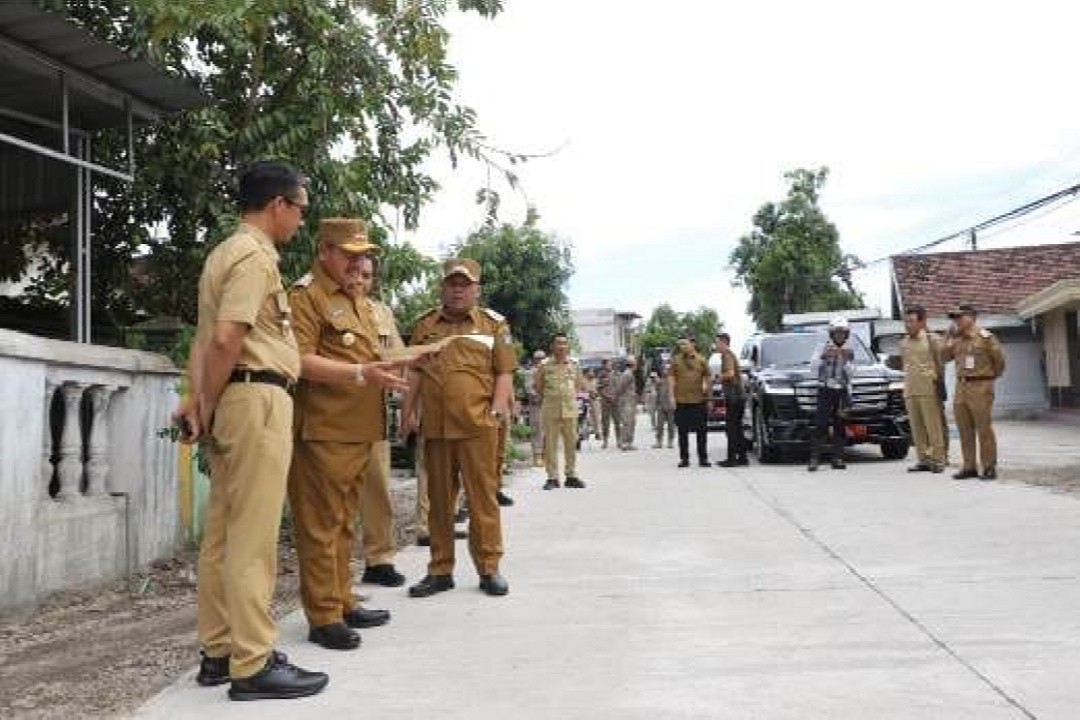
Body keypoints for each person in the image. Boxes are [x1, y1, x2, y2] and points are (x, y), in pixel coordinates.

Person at [174, 161, 328, 700]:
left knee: (222, 534)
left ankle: (219, 651)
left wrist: (198, 400)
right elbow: (225, 338)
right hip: (255, 398)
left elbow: (204, 341)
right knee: (253, 537)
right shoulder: (254, 256)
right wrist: (208, 401)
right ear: (277, 205)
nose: (302, 221)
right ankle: (253, 662)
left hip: (234, 398)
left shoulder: (223, 253)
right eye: (300, 209)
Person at [287, 219, 419, 651]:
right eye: (348, 254)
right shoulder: (307, 296)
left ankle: (342, 600)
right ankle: (324, 616)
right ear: (324, 250)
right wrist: (361, 372)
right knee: (321, 526)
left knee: (344, 522)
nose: (356, 263)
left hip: (359, 429)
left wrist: (413, 358)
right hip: (324, 429)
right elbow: (298, 360)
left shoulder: (357, 299)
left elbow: (373, 356)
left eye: (363, 255)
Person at [401, 258, 516, 598]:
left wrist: (497, 411)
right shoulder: (425, 325)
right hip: (436, 427)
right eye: (452, 284)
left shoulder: (493, 325)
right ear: (442, 288)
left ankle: (489, 568)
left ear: (477, 290)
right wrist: (408, 414)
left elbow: (504, 371)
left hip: (478, 425)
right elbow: (415, 371)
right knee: (439, 502)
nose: (457, 291)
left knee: (483, 499)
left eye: (465, 285)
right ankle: (440, 570)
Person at [357, 254, 410, 587]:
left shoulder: (382, 313)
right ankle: (330, 575)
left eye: (367, 275)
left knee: (377, 490)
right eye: (356, 272)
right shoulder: (322, 305)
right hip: (331, 414)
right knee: (332, 500)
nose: (361, 280)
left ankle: (379, 560)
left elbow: (400, 357)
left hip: (373, 414)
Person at [941, 305, 1006, 480]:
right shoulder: (957, 339)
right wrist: (947, 337)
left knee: (984, 428)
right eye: (954, 318)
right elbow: (943, 357)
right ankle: (969, 466)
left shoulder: (985, 337)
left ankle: (989, 467)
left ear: (972, 317)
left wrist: (989, 379)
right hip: (961, 386)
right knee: (964, 428)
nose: (956, 320)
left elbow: (999, 361)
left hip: (980, 385)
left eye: (960, 316)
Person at [900, 305, 947, 474]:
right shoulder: (903, 342)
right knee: (916, 428)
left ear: (921, 322)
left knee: (933, 427)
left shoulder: (932, 340)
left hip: (928, 389)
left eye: (912, 321)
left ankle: (939, 459)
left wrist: (938, 383)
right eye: (906, 321)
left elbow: (941, 365)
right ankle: (923, 459)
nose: (908, 325)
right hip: (910, 389)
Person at [536, 333, 586, 489]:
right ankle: (552, 477)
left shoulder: (574, 364)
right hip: (551, 409)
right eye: (558, 343)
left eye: (564, 343)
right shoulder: (544, 365)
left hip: (570, 409)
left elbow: (578, 385)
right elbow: (538, 386)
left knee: (571, 443)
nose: (561, 346)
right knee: (550, 444)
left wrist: (569, 397)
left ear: (568, 346)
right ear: (552, 346)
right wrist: (551, 397)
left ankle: (571, 475)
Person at [809, 317, 854, 472]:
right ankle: (814, 459)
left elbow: (852, 373)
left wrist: (846, 359)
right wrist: (824, 356)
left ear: (846, 334)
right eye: (837, 332)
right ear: (831, 333)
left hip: (841, 391)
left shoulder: (849, 349)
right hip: (825, 389)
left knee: (840, 424)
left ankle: (838, 458)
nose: (840, 335)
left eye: (843, 333)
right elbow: (812, 368)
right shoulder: (822, 347)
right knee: (820, 424)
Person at [669, 337, 711, 467]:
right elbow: (671, 378)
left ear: (692, 344)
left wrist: (707, 392)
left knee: (701, 431)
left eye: (685, 344)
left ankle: (703, 458)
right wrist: (671, 396)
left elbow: (707, 376)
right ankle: (684, 459)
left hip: (698, 400)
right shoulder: (676, 360)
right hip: (681, 400)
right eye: (680, 345)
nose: (682, 347)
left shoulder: (701, 360)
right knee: (682, 432)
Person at [715, 333, 748, 467]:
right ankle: (742, 457)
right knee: (737, 429)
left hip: (734, 397)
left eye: (717, 343)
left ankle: (732, 459)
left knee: (731, 429)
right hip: (737, 397)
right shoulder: (728, 355)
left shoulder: (727, 355)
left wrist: (719, 377)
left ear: (724, 343)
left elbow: (730, 373)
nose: (716, 345)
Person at [525, 350, 546, 467]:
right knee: (537, 429)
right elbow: (529, 388)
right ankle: (537, 455)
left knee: (548, 430)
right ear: (534, 359)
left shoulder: (548, 371)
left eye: (542, 358)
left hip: (548, 404)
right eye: (538, 358)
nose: (540, 360)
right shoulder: (530, 372)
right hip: (536, 404)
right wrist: (537, 397)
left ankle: (546, 455)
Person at [614, 356, 639, 450]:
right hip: (626, 400)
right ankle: (625, 442)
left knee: (631, 422)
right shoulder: (627, 374)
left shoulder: (630, 374)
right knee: (627, 422)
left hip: (630, 400)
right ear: (633, 364)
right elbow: (620, 387)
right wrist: (618, 398)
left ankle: (629, 442)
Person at [597, 358, 621, 448]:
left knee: (617, 422)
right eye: (607, 364)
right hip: (605, 402)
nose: (609, 366)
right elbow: (599, 388)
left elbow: (620, 387)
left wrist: (616, 397)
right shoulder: (601, 375)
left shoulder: (617, 374)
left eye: (610, 364)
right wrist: (606, 396)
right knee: (605, 422)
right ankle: (605, 441)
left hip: (616, 401)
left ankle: (619, 440)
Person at [653, 363, 676, 449]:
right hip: (661, 405)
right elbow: (657, 393)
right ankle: (659, 441)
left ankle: (670, 441)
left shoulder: (673, 381)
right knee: (659, 425)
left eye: (667, 369)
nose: (665, 371)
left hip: (670, 405)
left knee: (671, 425)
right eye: (664, 369)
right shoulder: (660, 381)